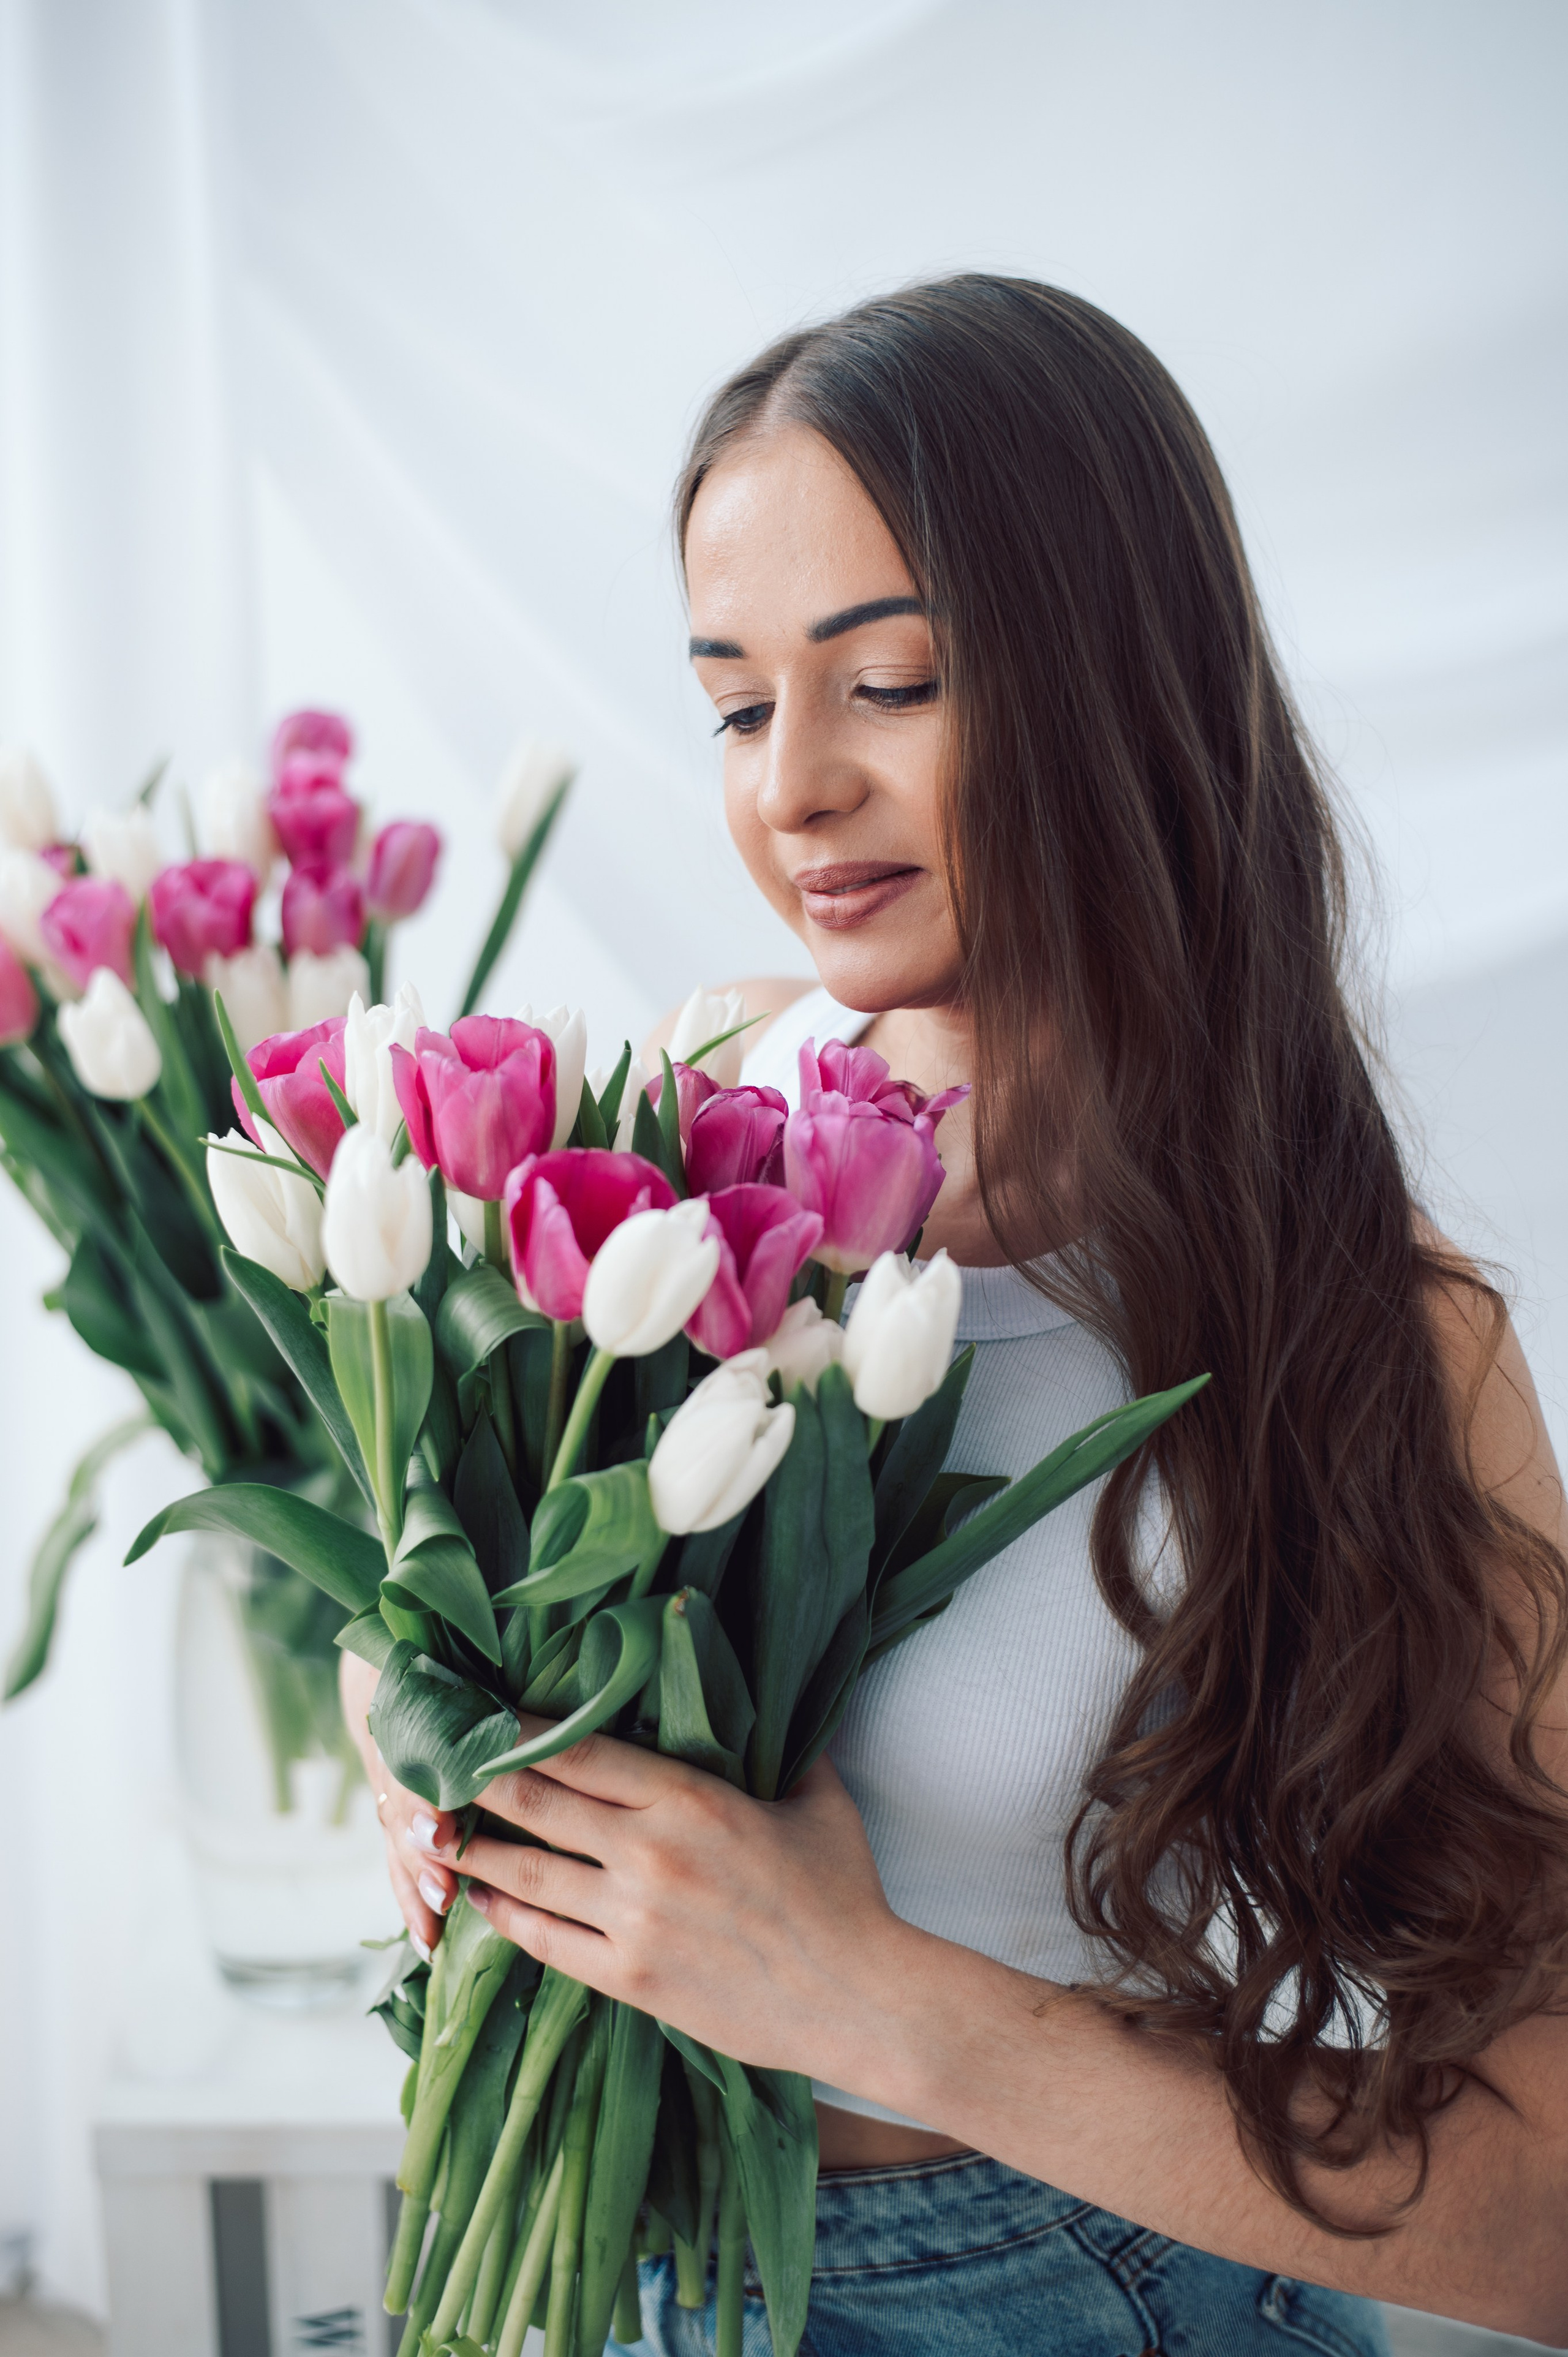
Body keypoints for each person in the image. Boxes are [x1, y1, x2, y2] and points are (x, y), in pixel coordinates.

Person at [342, 277, 1568, 2351]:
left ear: (1117, 683)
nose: (792, 788)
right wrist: (432, 1731)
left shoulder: (1378, 1333)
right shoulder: (682, 1112)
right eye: (738, 706)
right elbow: (487, 1591)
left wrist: (880, 2004)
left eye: (887, 682)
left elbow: (1546, 2215)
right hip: (594, 2245)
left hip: (1067, 2293)